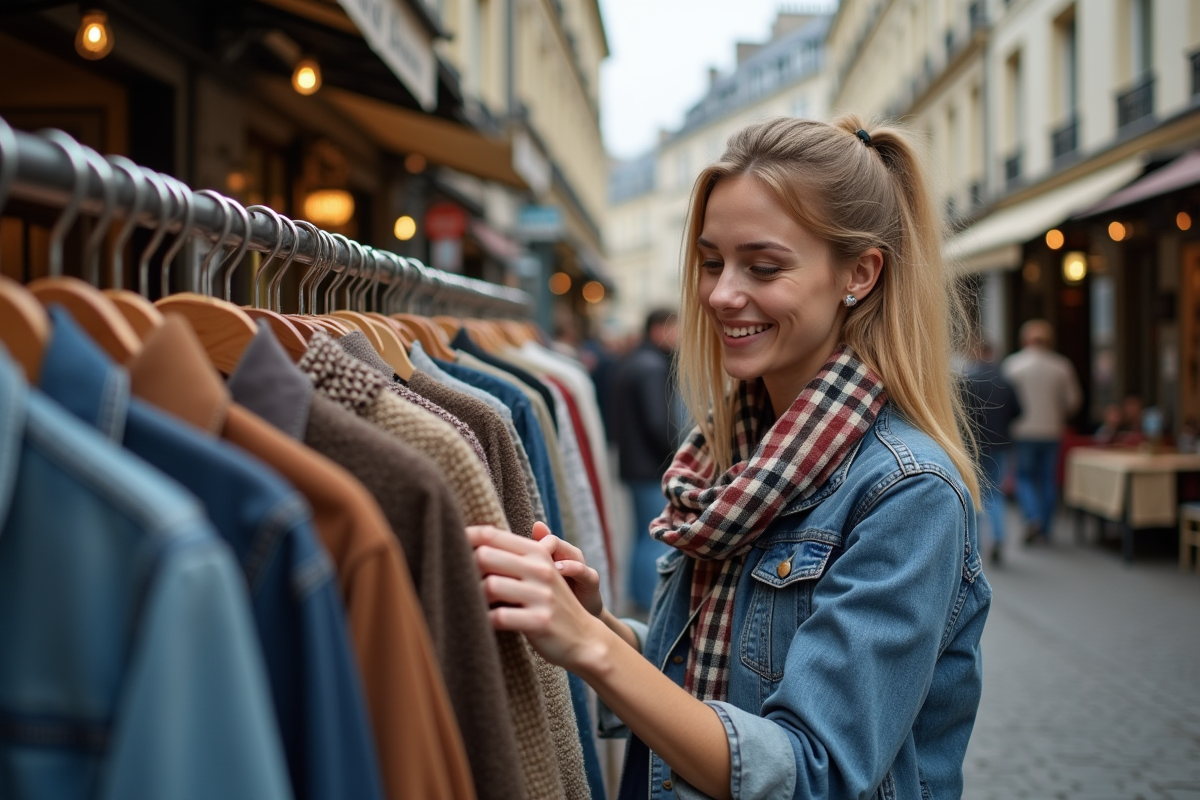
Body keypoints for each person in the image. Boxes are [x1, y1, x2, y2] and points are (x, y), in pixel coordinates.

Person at [466, 116, 991, 800]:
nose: (719, 294)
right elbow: (734, 671)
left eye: (763, 266)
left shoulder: (907, 490)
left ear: (859, 273)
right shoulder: (731, 455)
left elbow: (814, 772)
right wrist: (603, 630)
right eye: (713, 261)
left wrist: (590, 650)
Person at [609, 308, 687, 614]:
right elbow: (658, 422)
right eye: (677, 329)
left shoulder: (633, 361)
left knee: (641, 532)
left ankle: (636, 593)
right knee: (652, 535)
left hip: (634, 462)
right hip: (650, 466)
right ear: (659, 329)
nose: (681, 337)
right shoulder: (652, 367)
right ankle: (645, 600)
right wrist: (676, 456)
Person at [1002, 320, 1082, 544]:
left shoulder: (1013, 365)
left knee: (1024, 477)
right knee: (1048, 479)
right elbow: (1074, 401)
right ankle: (1045, 528)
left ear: (1025, 339)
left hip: (1023, 430)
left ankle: (1032, 517)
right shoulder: (1061, 366)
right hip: (1052, 430)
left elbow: (1004, 400)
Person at [963, 339, 1022, 564]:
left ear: (976, 352)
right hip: (1000, 444)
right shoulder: (1005, 380)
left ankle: (975, 545)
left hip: (974, 446)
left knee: (975, 493)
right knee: (996, 492)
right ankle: (998, 537)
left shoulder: (969, 380)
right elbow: (1019, 410)